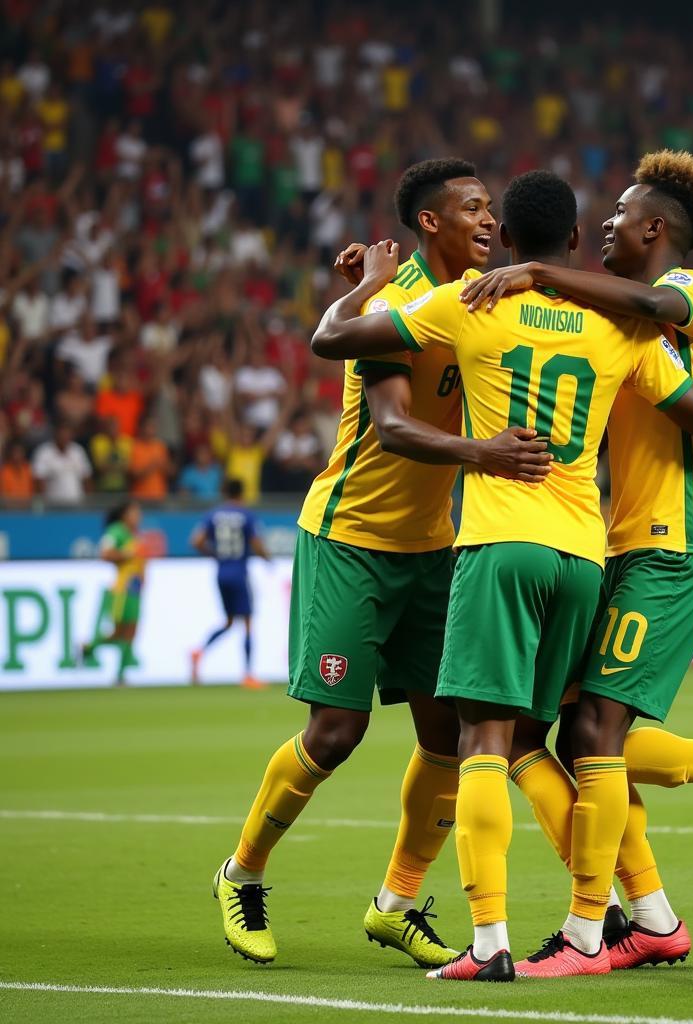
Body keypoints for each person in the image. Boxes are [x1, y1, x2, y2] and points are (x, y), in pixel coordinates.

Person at [312, 169, 693, 981]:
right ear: (578, 242)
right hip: (586, 558)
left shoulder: (473, 300)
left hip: (499, 543)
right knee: (570, 743)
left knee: (488, 740)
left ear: (509, 243)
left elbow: (333, 342)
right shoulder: (617, 326)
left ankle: (490, 944)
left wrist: (370, 288)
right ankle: (612, 917)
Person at [462, 151, 693, 972]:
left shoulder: (685, 290)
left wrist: (535, 272)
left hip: (677, 546)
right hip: (620, 547)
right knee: (543, 731)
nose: (608, 227)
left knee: (593, 731)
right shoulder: (618, 327)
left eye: (620, 216)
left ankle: (593, 933)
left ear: (655, 228)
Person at [212, 159, 549, 969]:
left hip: (433, 548)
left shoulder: (480, 303)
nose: (488, 221)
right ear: (427, 223)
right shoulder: (396, 309)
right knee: (336, 731)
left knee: (455, 733)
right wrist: (486, 455)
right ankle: (241, 871)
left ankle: (395, 901)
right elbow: (394, 428)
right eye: (471, 208)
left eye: (491, 210)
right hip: (350, 540)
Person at [189, 478, 271, 688]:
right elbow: (256, 543)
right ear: (242, 493)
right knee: (247, 622)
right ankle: (248, 674)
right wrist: (267, 558)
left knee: (228, 621)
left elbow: (196, 541)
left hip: (221, 572)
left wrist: (215, 554)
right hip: (239, 573)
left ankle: (199, 651)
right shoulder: (246, 515)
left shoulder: (213, 514)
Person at [81, 499, 147, 686]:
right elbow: (105, 553)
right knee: (120, 632)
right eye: (135, 513)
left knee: (131, 632)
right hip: (122, 589)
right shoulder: (116, 531)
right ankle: (90, 647)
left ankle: (120, 675)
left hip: (135, 589)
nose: (138, 517)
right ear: (125, 515)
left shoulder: (134, 534)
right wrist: (127, 555)